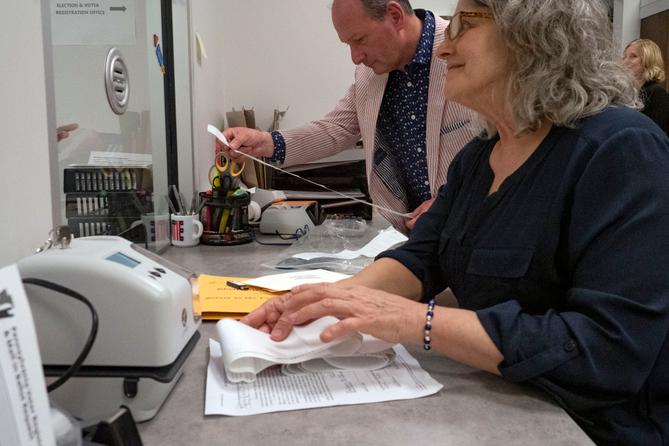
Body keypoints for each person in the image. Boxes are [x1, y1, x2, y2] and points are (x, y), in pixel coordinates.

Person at [241, 0, 669, 444]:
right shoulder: (478, 159)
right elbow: (421, 257)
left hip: (596, 429)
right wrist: (326, 300)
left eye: (463, 26)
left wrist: (416, 321)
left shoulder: (622, 149)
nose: (443, 49)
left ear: (534, 33)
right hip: (505, 406)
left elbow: (607, 352)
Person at [221, 0, 475, 232]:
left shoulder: (465, 50)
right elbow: (335, 130)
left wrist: (449, 201)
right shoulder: (369, 76)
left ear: (395, 16)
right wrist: (265, 142)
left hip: (477, 230)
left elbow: (508, 148)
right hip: (419, 237)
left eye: (360, 39)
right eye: (349, 45)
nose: (356, 57)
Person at [624, 38, 669, 135]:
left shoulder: (657, 93)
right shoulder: (626, 92)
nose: (625, 61)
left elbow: (653, 133)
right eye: (624, 57)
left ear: (648, 61)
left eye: (633, 56)